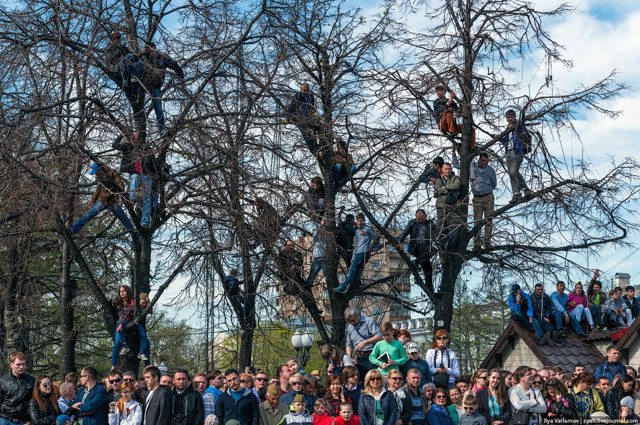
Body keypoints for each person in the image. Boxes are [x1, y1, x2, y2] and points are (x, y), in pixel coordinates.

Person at [69, 163, 135, 236]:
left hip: (113, 202)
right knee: (88, 216)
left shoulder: (113, 172)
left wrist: (122, 193)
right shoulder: (98, 175)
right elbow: (98, 188)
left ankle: (136, 235)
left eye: (97, 171)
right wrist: (93, 200)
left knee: (124, 219)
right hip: (102, 201)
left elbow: (120, 184)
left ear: (100, 169)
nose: (96, 173)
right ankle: (73, 229)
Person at [133, 42, 185, 132]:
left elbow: (174, 64)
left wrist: (181, 76)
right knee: (138, 104)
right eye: (149, 51)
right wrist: (141, 54)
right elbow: (132, 61)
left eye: (152, 50)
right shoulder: (143, 57)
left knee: (159, 109)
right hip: (143, 84)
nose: (151, 53)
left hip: (155, 86)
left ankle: (162, 130)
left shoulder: (162, 57)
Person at [334, 214, 380, 294]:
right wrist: (353, 256)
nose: (359, 222)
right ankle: (352, 288)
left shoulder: (368, 229)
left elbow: (376, 239)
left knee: (351, 270)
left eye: (361, 220)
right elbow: (355, 245)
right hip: (357, 252)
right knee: (354, 270)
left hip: (363, 251)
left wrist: (375, 250)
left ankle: (343, 287)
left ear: (364, 220)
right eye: (358, 221)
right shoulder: (357, 231)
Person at [111, 285, 151, 370]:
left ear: (128, 292)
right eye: (120, 291)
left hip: (132, 324)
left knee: (147, 341)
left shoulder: (133, 302)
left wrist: (148, 303)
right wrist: (120, 324)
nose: (122, 293)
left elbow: (148, 311)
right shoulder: (118, 303)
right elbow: (122, 315)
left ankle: (148, 366)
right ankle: (113, 365)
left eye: (124, 291)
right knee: (117, 343)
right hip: (121, 324)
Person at [396, 209, 434, 290]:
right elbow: (404, 233)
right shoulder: (412, 223)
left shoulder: (429, 224)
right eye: (418, 218)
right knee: (431, 251)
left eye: (422, 219)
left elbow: (435, 235)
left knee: (428, 268)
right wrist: (400, 243)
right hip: (415, 247)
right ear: (415, 217)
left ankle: (430, 290)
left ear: (426, 216)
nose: (420, 221)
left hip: (425, 249)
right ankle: (416, 262)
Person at [499, 109, 532, 203]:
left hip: (517, 151)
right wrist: (498, 137)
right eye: (508, 117)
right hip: (508, 152)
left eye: (511, 117)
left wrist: (516, 127)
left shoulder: (519, 125)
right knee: (511, 173)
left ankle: (525, 189)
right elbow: (506, 141)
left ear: (514, 117)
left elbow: (523, 134)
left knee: (514, 171)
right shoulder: (507, 128)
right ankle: (516, 193)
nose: (509, 119)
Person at [344, 307, 384, 379]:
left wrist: (365, 342)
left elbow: (380, 336)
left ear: (358, 315)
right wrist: (349, 358)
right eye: (349, 321)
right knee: (361, 382)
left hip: (371, 356)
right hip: (358, 359)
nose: (351, 323)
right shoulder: (350, 327)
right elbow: (349, 345)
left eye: (353, 320)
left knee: (373, 380)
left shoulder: (369, 322)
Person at [468, 152, 497, 251]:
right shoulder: (472, 167)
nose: (484, 163)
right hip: (477, 197)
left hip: (488, 196)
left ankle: (487, 242)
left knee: (489, 220)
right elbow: (458, 165)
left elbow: (494, 184)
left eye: (486, 161)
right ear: (479, 159)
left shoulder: (491, 170)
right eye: (482, 160)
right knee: (477, 222)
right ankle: (477, 244)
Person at [0, 352, 36, 425]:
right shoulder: (2, 381)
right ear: (11, 365)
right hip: (5, 420)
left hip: (24, 421)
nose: (21, 367)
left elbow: (35, 402)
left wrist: (30, 421)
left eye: (23, 364)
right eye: (18, 364)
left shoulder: (32, 380)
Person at [286, 83, 320, 154]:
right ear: (301, 90)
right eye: (304, 90)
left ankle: (317, 146)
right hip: (299, 118)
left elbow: (313, 107)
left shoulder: (310, 96)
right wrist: (287, 119)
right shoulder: (297, 97)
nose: (305, 92)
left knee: (316, 129)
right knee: (306, 133)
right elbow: (290, 108)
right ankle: (313, 150)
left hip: (308, 117)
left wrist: (312, 111)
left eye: (307, 90)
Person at [434, 163, 462, 247]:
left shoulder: (455, 178)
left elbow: (457, 185)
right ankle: (442, 247)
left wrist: (444, 188)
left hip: (453, 206)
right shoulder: (439, 180)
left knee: (454, 228)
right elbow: (436, 191)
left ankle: (450, 249)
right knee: (441, 228)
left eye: (449, 169)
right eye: (446, 169)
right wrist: (448, 190)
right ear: (442, 170)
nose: (448, 170)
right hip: (440, 206)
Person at [306, 220, 327, 288]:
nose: (322, 233)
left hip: (324, 260)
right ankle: (307, 287)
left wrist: (323, 228)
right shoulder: (316, 240)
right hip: (316, 260)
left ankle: (331, 288)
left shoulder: (326, 240)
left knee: (328, 277)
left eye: (323, 232)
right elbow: (315, 236)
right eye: (320, 232)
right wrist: (320, 227)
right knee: (311, 276)